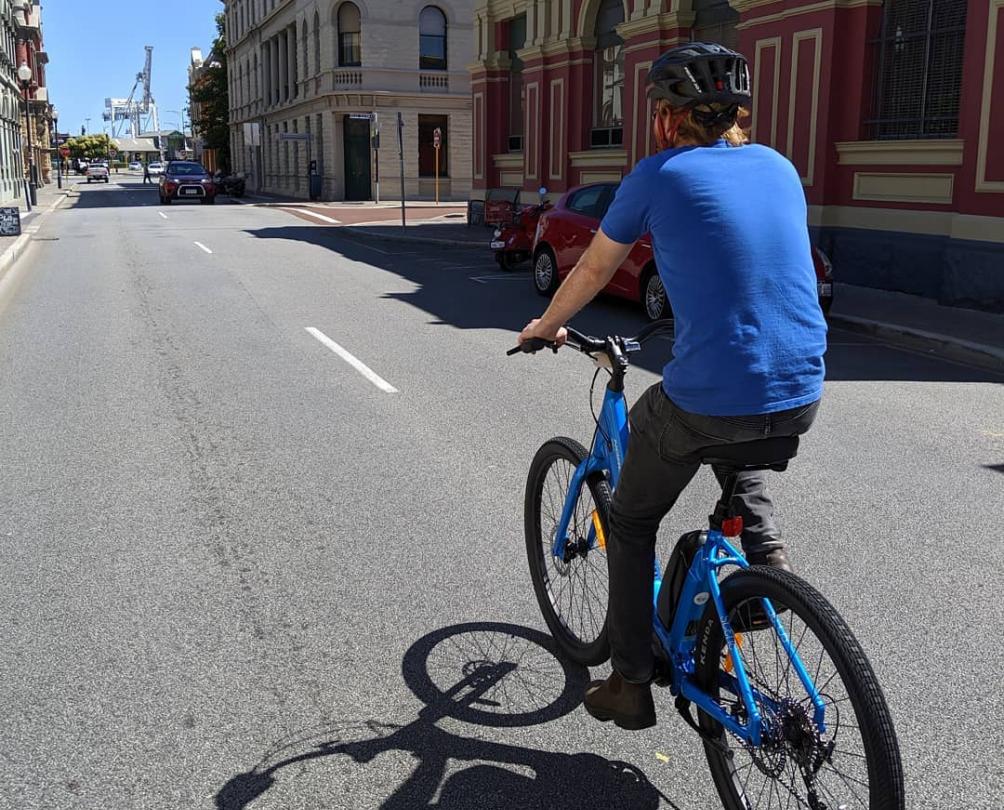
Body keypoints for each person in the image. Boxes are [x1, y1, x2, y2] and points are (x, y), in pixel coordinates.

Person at [516, 42, 827, 731]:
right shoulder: (779, 167)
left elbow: (595, 270)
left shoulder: (658, 175)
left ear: (666, 119)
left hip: (711, 393)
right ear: (741, 114)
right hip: (803, 387)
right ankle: (765, 559)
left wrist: (544, 325)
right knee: (736, 431)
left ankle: (629, 681)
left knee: (630, 518)